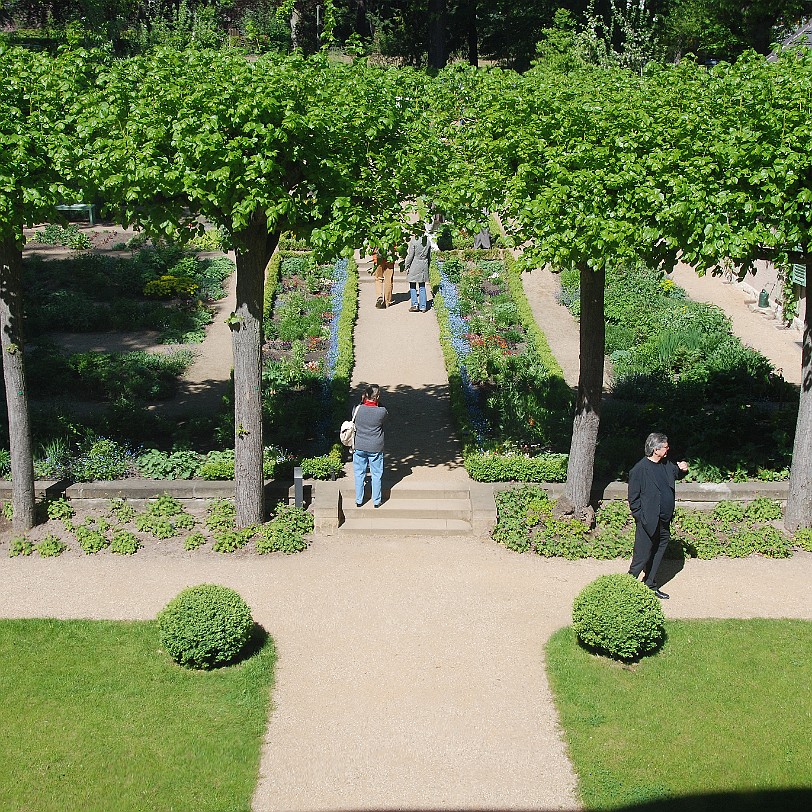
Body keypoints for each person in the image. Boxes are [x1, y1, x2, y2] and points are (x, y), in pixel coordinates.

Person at [627, 432, 689, 600]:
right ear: (655, 449)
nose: (668, 449)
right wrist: (641, 517)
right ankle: (626, 589)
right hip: (648, 521)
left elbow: (676, 473)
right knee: (641, 557)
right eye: (665, 447)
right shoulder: (639, 470)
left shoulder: (666, 464)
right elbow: (633, 499)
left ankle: (650, 584)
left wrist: (683, 469)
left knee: (658, 552)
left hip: (664, 520)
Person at [352, 384, 389, 508]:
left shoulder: (357, 409)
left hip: (359, 445)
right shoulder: (381, 411)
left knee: (359, 473)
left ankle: (359, 500)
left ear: (365, 395)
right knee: (376, 474)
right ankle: (376, 501)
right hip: (375, 446)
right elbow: (385, 415)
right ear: (377, 397)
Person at [404, 232, 432, 312]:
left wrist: (407, 265)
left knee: (412, 285)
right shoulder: (427, 241)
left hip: (415, 263)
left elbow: (410, 255)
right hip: (424, 263)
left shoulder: (414, 241)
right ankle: (423, 306)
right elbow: (429, 256)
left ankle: (415, 304)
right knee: (422, 286)